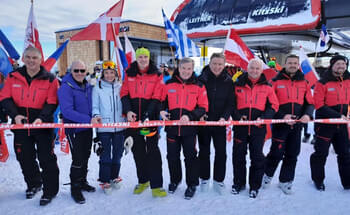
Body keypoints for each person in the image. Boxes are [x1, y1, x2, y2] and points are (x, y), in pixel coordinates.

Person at [0, 46, 60, 206]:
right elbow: (4, 97)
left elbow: (52, 101)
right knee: (24, 158)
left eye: (35, 57)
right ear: (23, 58)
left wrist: (42, 118)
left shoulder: (50, 78)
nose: (31, 60)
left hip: (42, 124)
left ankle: (50, 191)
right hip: (20, 123)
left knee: (47, 159)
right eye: (28, 57)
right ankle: (34, 183)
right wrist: (15, 115)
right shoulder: (13, 76)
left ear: (41, 59)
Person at [263, 54, 314, 194]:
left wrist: (307, 114)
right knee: (276, 153)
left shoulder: (304, 82)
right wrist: (282, 116)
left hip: (297, 125)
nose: (292, 65)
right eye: (290, 62)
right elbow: (269, 103)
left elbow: (310, 102)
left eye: (295, 63)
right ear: (285, 64)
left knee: (292, 154)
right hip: (281, 124)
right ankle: (266, 175)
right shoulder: (274, 81)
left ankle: (285, 181)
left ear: (298, 65)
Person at [120, 47, 167, 197]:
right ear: (137, 58)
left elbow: (158, 95)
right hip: (133, 120)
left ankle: (157, 185)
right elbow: (124, 93)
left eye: (145, 57)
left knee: (152, 150)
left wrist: (147, 115)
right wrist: (128, 111)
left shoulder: (156, 74)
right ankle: (143, 181)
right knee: (138, 151)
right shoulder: (129, 73)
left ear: (149, 58)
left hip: (149, 120)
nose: (143, 60)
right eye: (140, 57)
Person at [160, 57, 208, 199]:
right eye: (183, 68)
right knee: (172, 157)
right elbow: (161, 101)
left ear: (193, 69)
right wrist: (162, 111)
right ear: (178, 68)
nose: (186, 71)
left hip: (190, 129)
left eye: (189, 68)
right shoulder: (168, 84)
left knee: (190, 157)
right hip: (172, 129)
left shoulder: (199, 86)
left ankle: (192, 184)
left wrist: (190, 116)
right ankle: (175, 180)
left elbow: (204, 107)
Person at [231, 58, 279, 198]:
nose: (254, 71)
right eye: (252, 68)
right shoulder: (237, 84)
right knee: (238, 156)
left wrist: (264, 117)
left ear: (261, 70)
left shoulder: (267, 86)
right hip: (241, 127)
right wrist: (237, 116)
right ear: (247, 68)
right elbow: (231, 104)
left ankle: (254, 185)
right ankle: (238, 183)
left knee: (257, 157)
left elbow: (274, 105)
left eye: (257, 68)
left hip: (258, 127)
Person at [57, 60, 95, 204]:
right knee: (78, 158)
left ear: (86, 72)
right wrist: (88, 119)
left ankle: (83, 181)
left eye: (82, 71)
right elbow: (67, 111)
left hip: (87, 128)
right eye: (76, 70)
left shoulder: (88, 86)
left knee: (86, 155)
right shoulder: (66, 87)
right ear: (70, 71)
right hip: (74, 129)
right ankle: (75, 187)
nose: (79, 73)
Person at [310, 55, 350, 191]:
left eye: (343, 64)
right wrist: (338, 115)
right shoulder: (322, 82)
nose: (341, 67)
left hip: (342, 124)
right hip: (325, 124)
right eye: (338, 64)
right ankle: (318, 179)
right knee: (321, 154)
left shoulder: (349, 80)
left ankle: (347, 182)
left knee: (345, 154)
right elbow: (319, 105)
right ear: (332, 65)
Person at [197, 53, 234, 194]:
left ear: (224, 65)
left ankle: (219, 180)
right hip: (204, 122)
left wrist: (224, 117)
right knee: (204, 152)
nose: (217, 67)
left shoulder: (228, 81)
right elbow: (196, 99)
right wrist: (200, 114)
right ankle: (204, 178)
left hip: (220, 122)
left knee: (221, 153)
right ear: (210, 63)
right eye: (214, 63)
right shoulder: (201, 79)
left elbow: (231, 103)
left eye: (220, 64)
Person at [91, 60, 125, 194]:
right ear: (103, 74)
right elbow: (95, 106)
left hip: (120, 126)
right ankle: (105, 179)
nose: (109, 75)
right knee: (105, 155)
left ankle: (114, 176)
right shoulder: (97, 88)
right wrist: (96, 115)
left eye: (112, 72)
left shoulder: (121, 86)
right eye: (107, 72)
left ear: (116, 73)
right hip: (104, 126)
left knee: (118, 153)